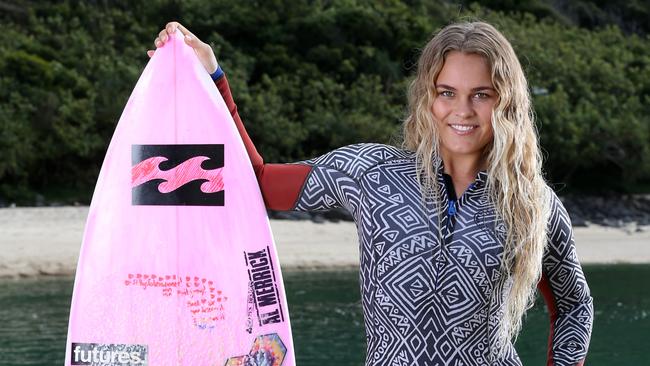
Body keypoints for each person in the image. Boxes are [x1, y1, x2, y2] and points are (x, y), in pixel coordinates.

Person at [149, 20, 593, 365]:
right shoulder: (373, 173)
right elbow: (261, 184)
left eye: (482, 94)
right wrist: (213, 77)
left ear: (506, 100)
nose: (463, 110)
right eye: (447, 92)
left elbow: (575, 304)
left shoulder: (533, 203)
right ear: (427, 98)